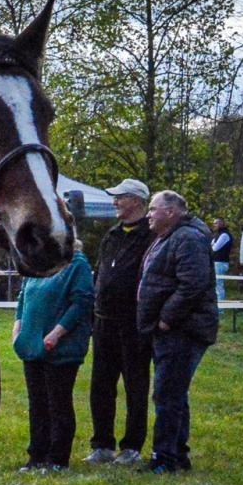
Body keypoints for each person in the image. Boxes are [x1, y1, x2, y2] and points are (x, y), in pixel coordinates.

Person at [137, 191, 219, 473]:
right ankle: (178, 453)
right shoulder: (168, 237)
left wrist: (166, 319)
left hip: (183, 330)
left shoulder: (188, 238)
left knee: (167, 393)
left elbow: (193, 285)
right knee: (173, 392)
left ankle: (165, 459)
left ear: (171, 212)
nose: (148, 214)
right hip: (171, 329)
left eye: (153, 208)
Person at [84, 178, 156, 466]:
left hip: (133, 324)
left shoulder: (151, 236)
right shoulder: (112, 234)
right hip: (104, 322)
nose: (114, 202)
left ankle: (131, 446)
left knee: (135, 386)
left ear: (136, 201)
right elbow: (100, 271)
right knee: (101, 385)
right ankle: (102, 443)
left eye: (120, 197)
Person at [13, 241, 95, 471]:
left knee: (57, 403)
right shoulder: (37, 264)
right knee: (37, 403)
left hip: (60, 348)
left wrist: (57, 334)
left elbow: (82, 303)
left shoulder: (76, 265)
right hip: (32, 345)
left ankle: (57, 459)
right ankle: (36, 456)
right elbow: (23, 297)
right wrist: (17, 329)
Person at [210, 217, 233, 302]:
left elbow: (215, 248)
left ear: (221, 224)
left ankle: (221, 307)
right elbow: (210, 245)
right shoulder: (216, 235)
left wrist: (210, 247)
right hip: (216, 262)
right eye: (214, 223)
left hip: (220, 263)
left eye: (216, 223)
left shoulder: (224, 235)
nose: (214, 225)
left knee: (219, 285)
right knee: (215, 285)